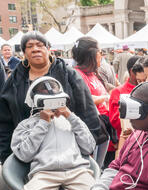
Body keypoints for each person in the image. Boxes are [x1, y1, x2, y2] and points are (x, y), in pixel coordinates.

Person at [0, 31, 101, 165]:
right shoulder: (14, 80)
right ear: (24, 53)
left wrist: (88, 146)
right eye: (30, 46)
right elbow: (4, 120)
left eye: (40, 45)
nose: (35, 49)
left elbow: (88, 110)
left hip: (69, 152)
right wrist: (6, 156)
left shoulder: (68, 74)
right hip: (28, 152)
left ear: (48, 49)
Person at [72, 36, 116, 168]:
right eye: (100, 52)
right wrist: (106, 98)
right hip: (94, 133)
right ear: (91, 54)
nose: (101, 56)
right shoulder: (77, 75)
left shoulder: (93, 74)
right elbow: (84, 99)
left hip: (105, 130)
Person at [107, 56, 146, 166]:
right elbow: (115, 121)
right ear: (132, 72)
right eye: (140, 79)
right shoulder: (118, 92)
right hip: (126, 144)